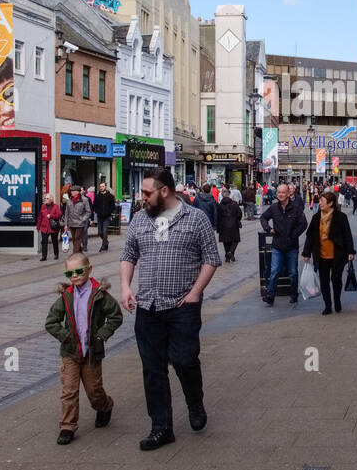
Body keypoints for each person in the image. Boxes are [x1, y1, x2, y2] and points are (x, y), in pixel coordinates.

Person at [119, 167, 220, 451]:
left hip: (182, 305)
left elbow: (211, 259)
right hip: (148, 306)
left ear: (165, 191)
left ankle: (195, 404)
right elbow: (128, 254)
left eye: (147, 193)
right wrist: (126, 287)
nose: (142, 198)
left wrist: (195, 294)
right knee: (153, 369)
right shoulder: (140, 219)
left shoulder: (196, 218)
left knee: (184, 359)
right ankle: (161, 427)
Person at [45, 251, 122, 445]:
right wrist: (65, 336)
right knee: (69, 390)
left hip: (91, 353)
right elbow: (51, 321)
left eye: (79, 271)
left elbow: (115, 316)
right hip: (70, 352)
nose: (75, 276)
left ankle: (105, 406)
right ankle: (67, 426)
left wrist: (101, 335)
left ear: (89, 270)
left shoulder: (100, 294)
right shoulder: (66, 295)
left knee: (94, 391)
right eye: (70, 274)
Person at [301, 189, 355, 315]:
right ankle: (327, 305)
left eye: (322, 201)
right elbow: (310, 236)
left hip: (337, 255)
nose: (320, 203)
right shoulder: (316, 218)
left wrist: (350, 252)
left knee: (336, 279)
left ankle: (337, 301)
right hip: (321, 255)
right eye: (319, 201)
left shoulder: (341, 217)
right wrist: (306, 253)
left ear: (330, 203)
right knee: (324, 281)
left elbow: (347, 235)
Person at [260, 182, 307, 306]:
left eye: (283, 192)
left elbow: (303, 224)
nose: (280, 194)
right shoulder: (274, 208)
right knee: (274, 271)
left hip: (291, 246)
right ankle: (270, 296)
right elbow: (263, 218)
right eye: (279, 192)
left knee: (293, 273)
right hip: (277, 246)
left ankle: (294, 295)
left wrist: (294, 235)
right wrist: (268, 229)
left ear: (288, 194)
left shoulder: (296, 208)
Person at [62, 185, 92, 253]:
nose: (71, 192)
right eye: (71, 191)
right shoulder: (69, 201)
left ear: (77, 192)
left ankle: (75, 254)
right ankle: (79, 252)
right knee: (74, 239)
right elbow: (66, 213)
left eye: (72, 191)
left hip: (80, 223)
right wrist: (66, 224)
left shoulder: (84, 200)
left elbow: (88, 212)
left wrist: (83, 219)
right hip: (72, 223)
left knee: (77, 238)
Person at [216, 190, 242, 262]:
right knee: (235, 240)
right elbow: (239, 213)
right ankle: (231, 252)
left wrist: (218, 227)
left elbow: (218, 217)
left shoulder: (220, 205)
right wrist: (238, 220)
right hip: (234, 224)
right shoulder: (234, 204)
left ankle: (227, 255)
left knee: (226, 241)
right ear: (229, 195)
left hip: (223, 225)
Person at [38, 193, 63, 261]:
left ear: (51, 199)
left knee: (54, 241)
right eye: (45, 198)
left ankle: (56, 254)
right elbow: (40, 217)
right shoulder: (43, 206)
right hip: (44, 227)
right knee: (44, 241)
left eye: (47, 198)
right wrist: (38, 226)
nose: (46, 199)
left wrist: (51, 216)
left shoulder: (56, 206)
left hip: (53, 227)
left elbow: (59, 215)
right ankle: (44, 256)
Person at [92, 182, 116, 252]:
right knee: (100, 232)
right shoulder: (97, 196)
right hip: (99, 216)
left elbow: (113, 206)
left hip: (107, 216)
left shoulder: (110, 196)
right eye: (100, 186)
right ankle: (106, 242)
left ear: (105, 187)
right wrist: (97, 211)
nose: (101, 188)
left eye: (103, 186)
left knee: (105, 231)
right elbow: (94, 206)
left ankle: (103, 246)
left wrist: (109, 212)